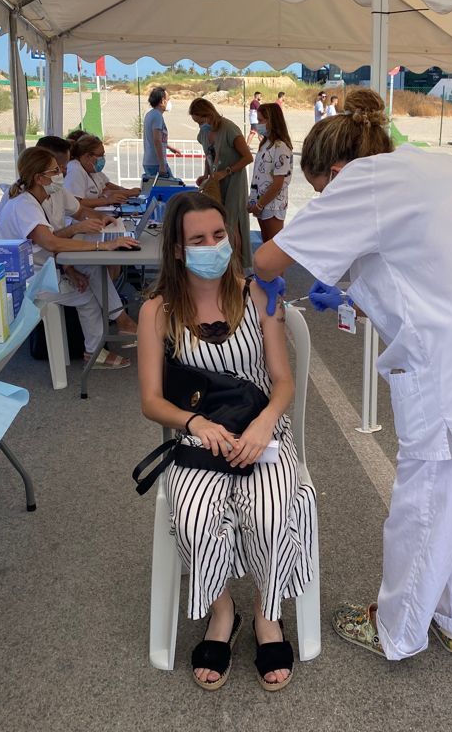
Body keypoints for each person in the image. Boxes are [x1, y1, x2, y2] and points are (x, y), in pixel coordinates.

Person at [252, 89, 452, 661]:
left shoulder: (362, 179)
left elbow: (267, 260)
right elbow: (425, 270)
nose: (328, 203)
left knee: (426, 504)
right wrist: (349, 295)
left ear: (336, 169)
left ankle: (396, 630)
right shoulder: (447, 166)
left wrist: (280, 281)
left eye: (322, 192)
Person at [137, 191, 316, 691]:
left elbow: (282, 381)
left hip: (264, 431)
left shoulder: (259, 296)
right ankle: (222, 610)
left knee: (272, 508)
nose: (212, 246)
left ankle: (266, 611)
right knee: (193, 516)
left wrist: (262, 427)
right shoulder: (158, 312)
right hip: (201, 438)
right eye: (197, 239)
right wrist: (193, 423)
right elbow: (151, 400)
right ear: (177, 249)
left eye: (219, 235)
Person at [0, 147, 140, 369]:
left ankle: (116, 330)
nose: (61, 172)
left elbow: (54, 239)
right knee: (88, 294)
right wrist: (103, 245)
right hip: (27, 281)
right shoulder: (24, 205)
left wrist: (70, 269)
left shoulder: (45, 195)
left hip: (47, 268)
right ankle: (104, 343)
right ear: (39, 178)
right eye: (55, 170)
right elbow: (51, 242)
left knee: (91, 275)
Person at [189, 98, 255, 266]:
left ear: (208, 114)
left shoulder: (229, 128)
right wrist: (205, 176)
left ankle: (237, 265)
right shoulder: (204, 132)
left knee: (233, 223)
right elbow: (208, 155)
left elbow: (247, 157)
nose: (199, 126)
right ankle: (225, 264)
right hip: (215, 183)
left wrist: (226, 172)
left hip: (233, 182)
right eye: (196, 122)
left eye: (200, 120)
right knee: (219, 223)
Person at [247, 101, 293, 242]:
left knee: (272, 246)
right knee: (266, 243)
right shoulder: (266, 144)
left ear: (271, 121)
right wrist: (254, 201)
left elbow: (277, 184)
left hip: (272, 205)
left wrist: (260, 205)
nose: (258, 124)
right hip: (261, 203)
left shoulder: (280, 147)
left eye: (261, 120)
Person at [65, 134, 141, 209]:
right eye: (100, 155)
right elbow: (76, 203)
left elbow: (105, 191)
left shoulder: (91, 170)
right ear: (88, 156)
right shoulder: (75, 171)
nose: (102, 159)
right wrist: (107, 201)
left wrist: (128, 192)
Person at [143, 86, 183, 178]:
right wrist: (162, 165)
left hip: (150, 162)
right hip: (156, 163)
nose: (169, 102)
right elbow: (157, 140)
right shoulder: (157, 116)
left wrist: (170, 148)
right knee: (170, 189)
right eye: (168, 99)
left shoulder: (150, 114)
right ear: (162, 101)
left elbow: (156, 139)